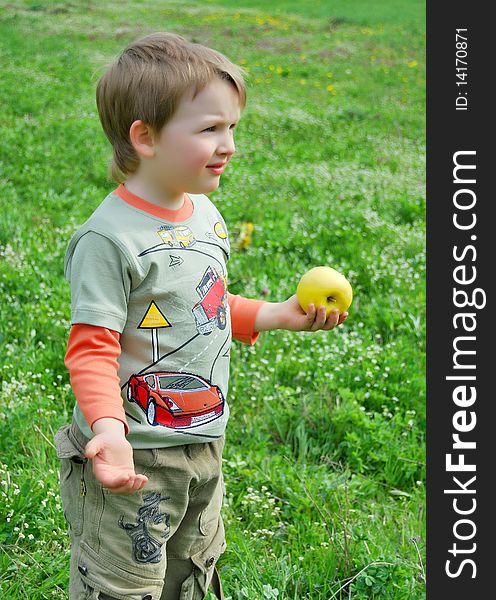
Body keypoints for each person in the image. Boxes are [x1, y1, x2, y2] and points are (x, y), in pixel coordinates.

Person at [55, 31, 348, 600]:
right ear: (145, 137)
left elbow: (205, 307)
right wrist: (110, 433)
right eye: (210, 129)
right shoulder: (108, 240)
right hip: (133, 452)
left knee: (189, 573)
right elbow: (92, 347)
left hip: (202, 441)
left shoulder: (204, 215)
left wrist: (279, 314)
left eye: (232, 127)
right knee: (122, 585)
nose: (229, 144)